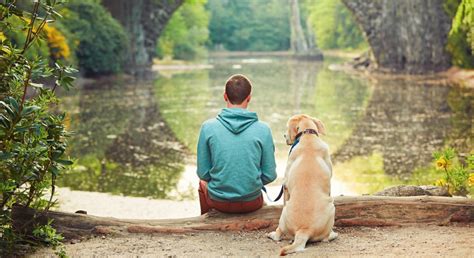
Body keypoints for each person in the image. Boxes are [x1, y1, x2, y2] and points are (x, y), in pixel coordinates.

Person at [196, 74, 277, 215]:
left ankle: (207, 218)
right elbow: (270, 175)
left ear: (225, 96)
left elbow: (203, 173)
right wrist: (249, 183)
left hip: (218, 202)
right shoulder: (263, 129)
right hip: (251, 203)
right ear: (249, 98)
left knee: (202, 184)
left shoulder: (208, 127)